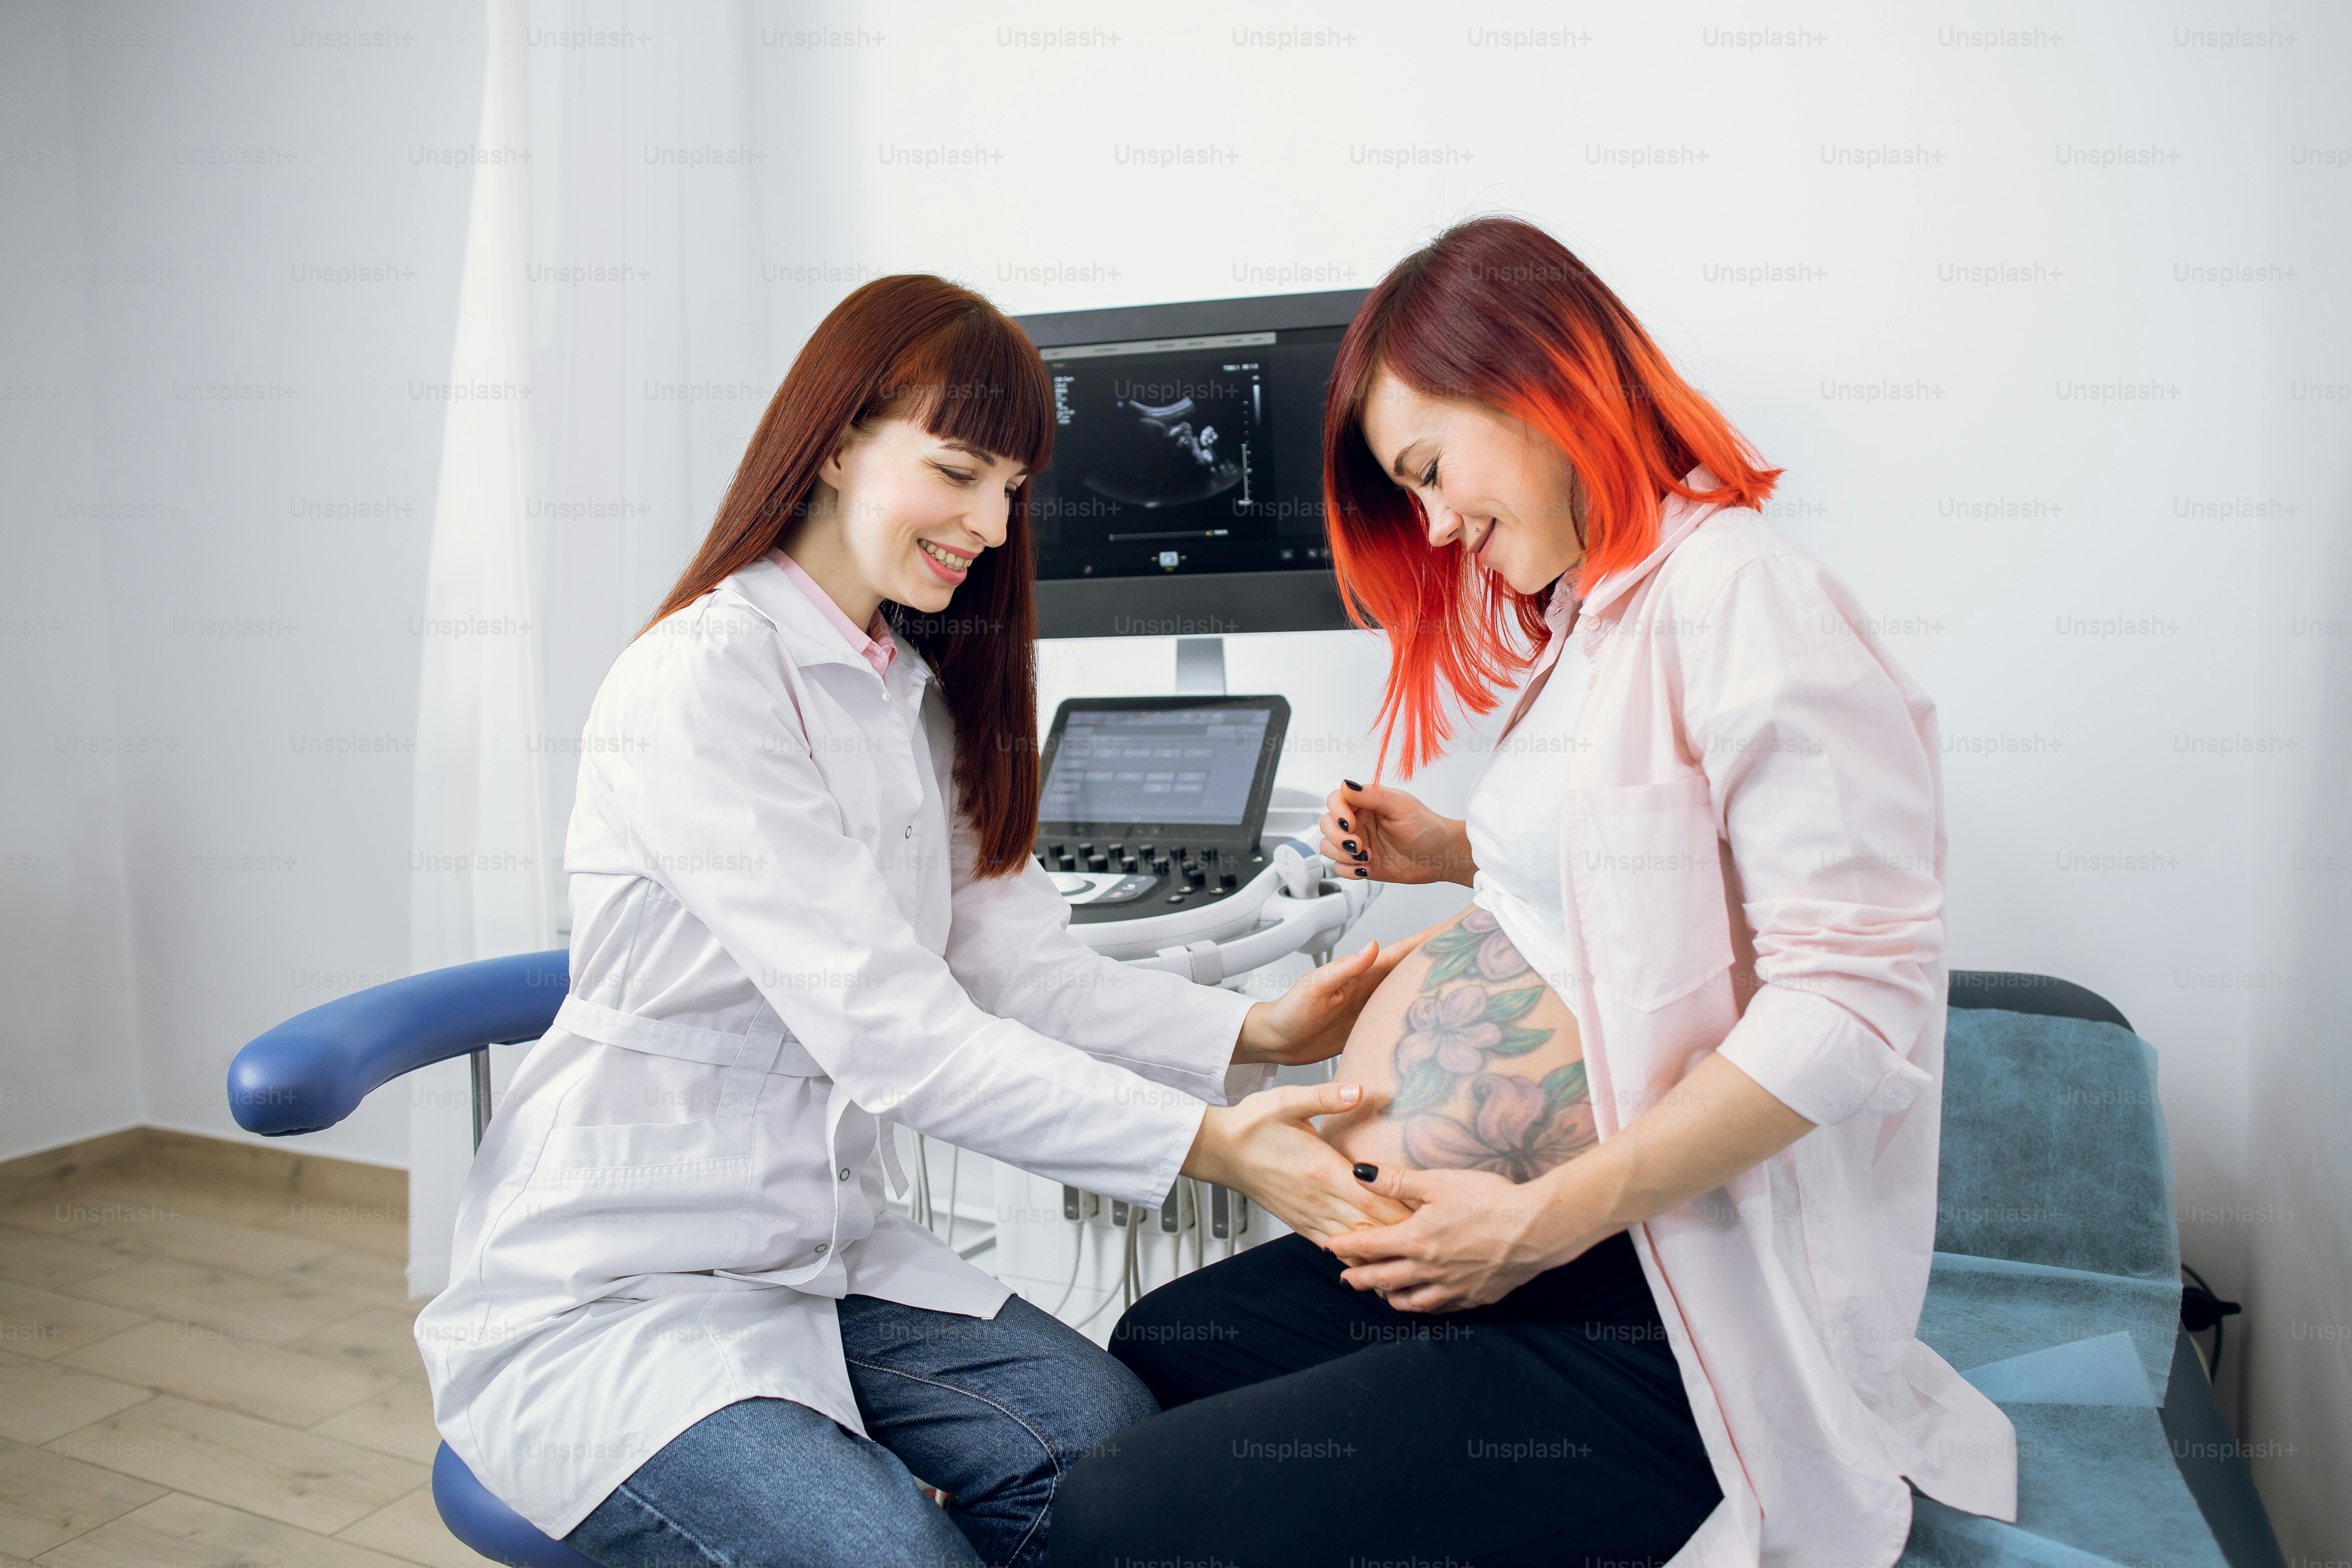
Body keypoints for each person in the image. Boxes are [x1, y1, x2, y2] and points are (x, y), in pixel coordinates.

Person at [1052, 217, 2019, 1568]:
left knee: (1114, 1516)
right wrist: (1457, 851)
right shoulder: (1599, 623)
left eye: (1431, 470)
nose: (1437, 524)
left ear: (1540, 382)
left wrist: (1535, 1220)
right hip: (1527, 1254)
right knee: (1159, 1343)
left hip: (1660, 1298)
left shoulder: (1746, 601)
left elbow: (1854, 1004)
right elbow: (1641, 889)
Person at [413, 274, 1411, 1568]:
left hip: (820, 1251)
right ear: (834, 444)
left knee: (1107, 1453)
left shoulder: (918, 696)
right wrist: (1214, 1146)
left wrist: (1256, 1031)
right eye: (956, 471)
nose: (992, 524)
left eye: (1012, 487)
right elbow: (900, 1039)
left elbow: (1020, 973)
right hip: (621, 1277)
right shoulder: (702, 682)